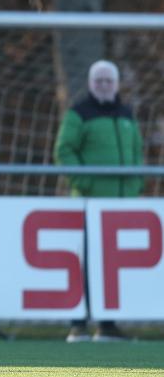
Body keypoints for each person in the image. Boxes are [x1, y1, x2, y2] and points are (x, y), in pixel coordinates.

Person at [55, 59, 144, 343]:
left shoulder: (126, 114)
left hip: (120, 205)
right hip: (89, 203)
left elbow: (138, 154)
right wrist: (86, 182)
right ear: (91, 83)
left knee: (113, 265)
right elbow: (64, 151)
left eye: (109, 80)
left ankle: (107, 325)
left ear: (117, 84)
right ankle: (78, 324)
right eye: (99, 80)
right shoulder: (79, 113)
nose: (104, 85)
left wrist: (134, 185)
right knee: (85, 263)